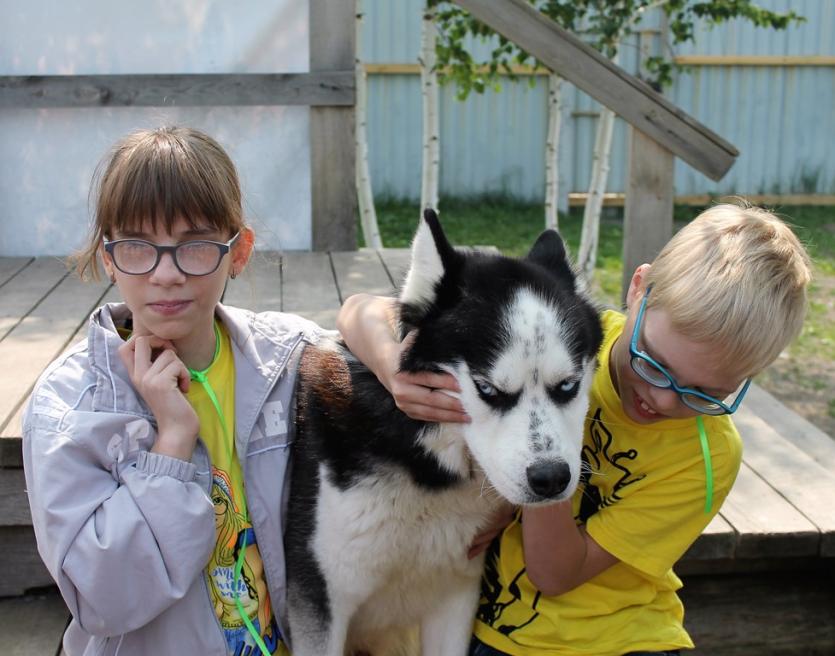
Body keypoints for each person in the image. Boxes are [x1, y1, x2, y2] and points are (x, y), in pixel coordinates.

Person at [336, 203, 812, 656]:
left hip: (611, 641)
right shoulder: (566, 335)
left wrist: (545, 459)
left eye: (704, 393)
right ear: (638, 290)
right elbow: (360, 309)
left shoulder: (703, 458)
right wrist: (391, 367)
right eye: (653, 362)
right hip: (487, 624)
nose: (663, 398)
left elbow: (557, 573)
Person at [22, 126, 320, 656]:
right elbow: (104, 600)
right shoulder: (69, 406)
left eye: (195, 246)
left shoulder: (287, 362)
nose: (165, 274)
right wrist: (172, 445)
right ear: (109, 256)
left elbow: (388, 336)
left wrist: (370, 329)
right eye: (138, 247)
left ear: (239, 251)